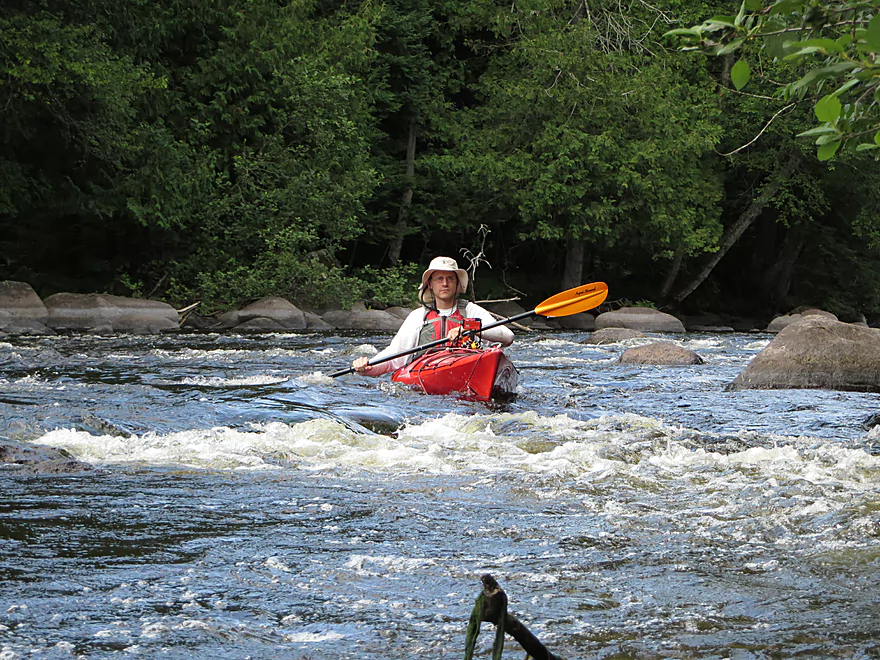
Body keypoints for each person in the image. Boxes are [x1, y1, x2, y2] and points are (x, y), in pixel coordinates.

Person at [352, 256, 514, 375]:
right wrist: (368, 367)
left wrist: (469, 329)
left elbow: (507, 336)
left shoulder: (471, 311)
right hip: (427, 373)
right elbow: (395, 357)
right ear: (430, 284)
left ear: (457, 284)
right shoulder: (418, 317)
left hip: (467, 367)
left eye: (450, 278)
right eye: (439, 279)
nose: (445, 283)